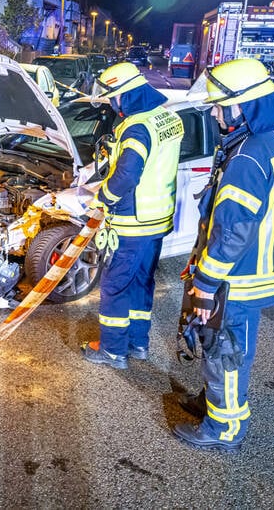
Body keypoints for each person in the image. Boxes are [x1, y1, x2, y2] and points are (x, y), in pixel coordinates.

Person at [174, 58, 274, 452]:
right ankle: (213, 403)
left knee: (224, 351)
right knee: (224, 348)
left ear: (242, 105)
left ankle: (225, 428)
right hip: (251, 272)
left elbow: (234, 231)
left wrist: (206, 280)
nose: (214, 113)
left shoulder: (247, 158)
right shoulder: (266, 142)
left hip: (236, 279)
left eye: (219, 106)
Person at [80, 62, 184, 369]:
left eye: (113, 97)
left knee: (115, 286)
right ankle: (138, 344)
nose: (112, 104)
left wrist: (102, 198)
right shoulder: (167, 117)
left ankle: (112, 350)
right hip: (157, 220)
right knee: (141, 284)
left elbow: (126, 175)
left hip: (132, 222)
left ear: (124, 95)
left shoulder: (137, 127)